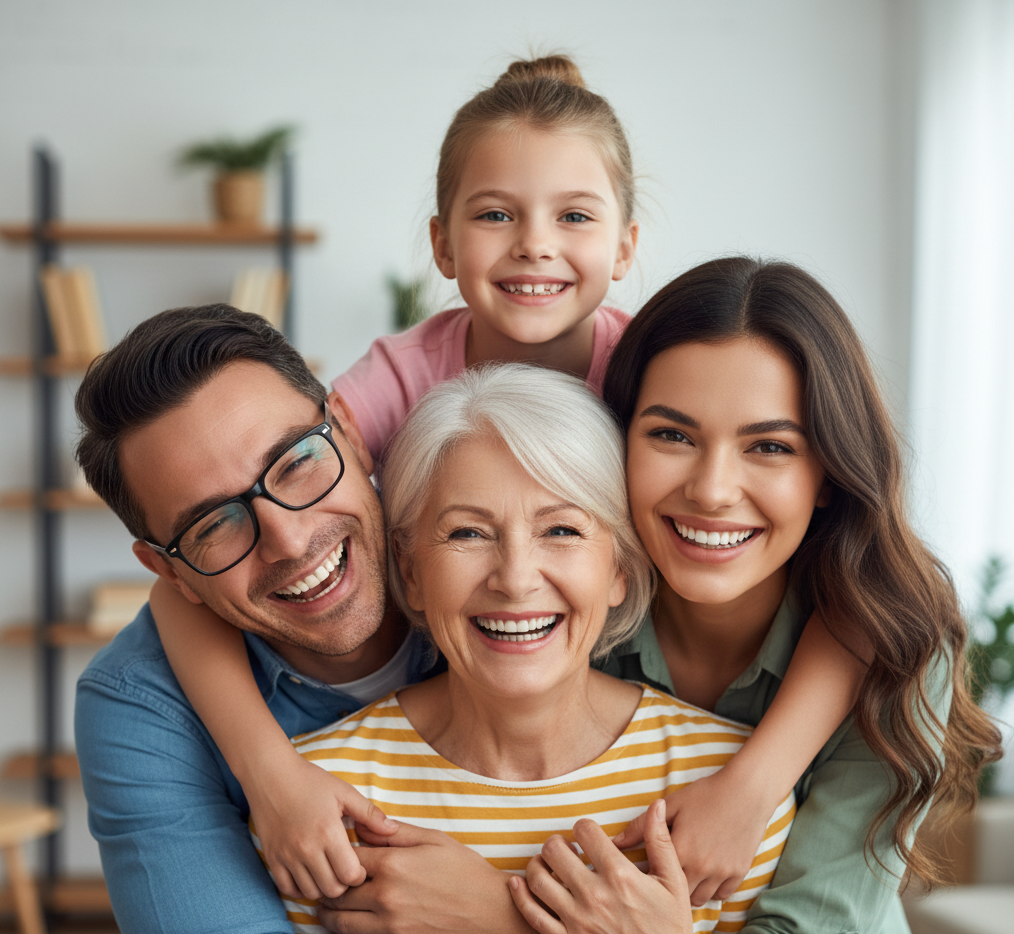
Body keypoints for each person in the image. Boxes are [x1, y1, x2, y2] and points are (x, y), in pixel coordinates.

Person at [151, 55, 865, 911]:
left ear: (627, 246)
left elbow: (861, 592)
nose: (535, 244)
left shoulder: (654, 370)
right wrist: (271, 775)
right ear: (442, 243)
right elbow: (216, 559)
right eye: (497, 214)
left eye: (573, 215)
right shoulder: (399, 380)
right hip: (459, 686)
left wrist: (752, 783)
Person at [507, 257, 1004, 934]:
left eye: (768, 446)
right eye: (671, 435)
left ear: (828, 472)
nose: (712, 490)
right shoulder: (543, 613)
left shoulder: (896, 652)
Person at [265, 363, 795, 934]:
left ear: (619, 566)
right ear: (409, 568)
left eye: (561, 531)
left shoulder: (729, 796)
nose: (515, 580)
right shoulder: (317, 807)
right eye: (467, 533)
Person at [73, 305, 442, 934]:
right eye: (212, 524)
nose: (290, 541)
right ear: (170, 573)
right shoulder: (141, 709)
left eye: (297, 463)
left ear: (350, 431)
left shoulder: (511, 571)